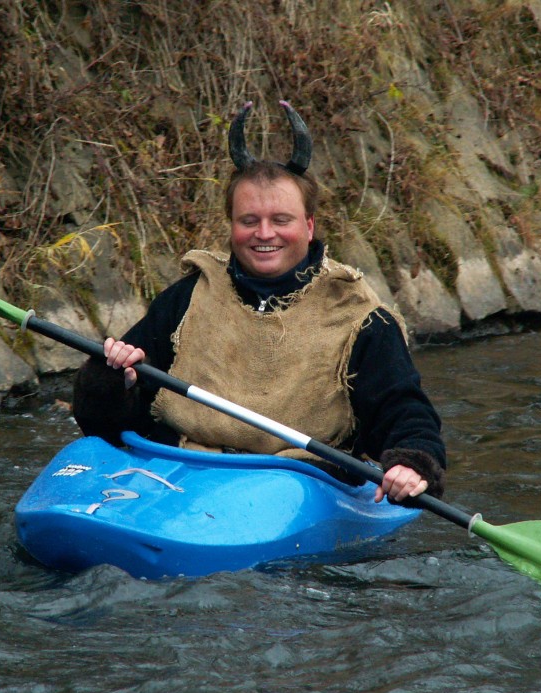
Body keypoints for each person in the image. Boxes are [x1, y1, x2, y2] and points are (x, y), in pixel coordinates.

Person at [73, 100, 445, 503]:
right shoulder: (187, 298)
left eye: (281, 220)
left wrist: (412, 462)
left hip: (299, 479)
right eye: (249, 221)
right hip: (179, 465)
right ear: (233, 226)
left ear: (308, 226)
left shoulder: (360, 317)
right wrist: (113, 380)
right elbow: (102, 423)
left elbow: (403, 410)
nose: (264, 234)